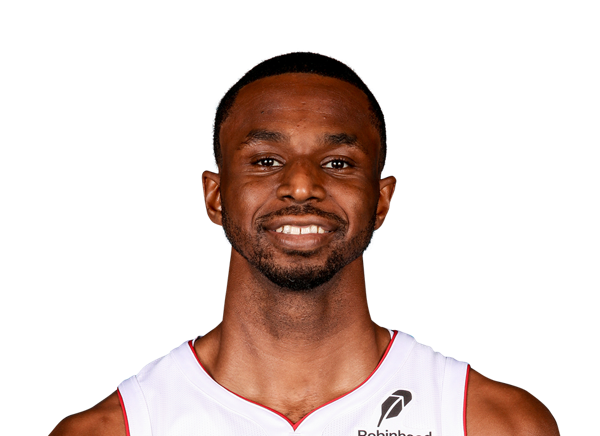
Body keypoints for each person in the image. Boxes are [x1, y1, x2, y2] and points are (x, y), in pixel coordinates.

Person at [50, 51, 560, 436]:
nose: (300, 186)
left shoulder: (494, 424)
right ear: (215, 197)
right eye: (266, 161)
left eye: (338, 163)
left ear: (381, 201)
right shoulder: (115, 429)